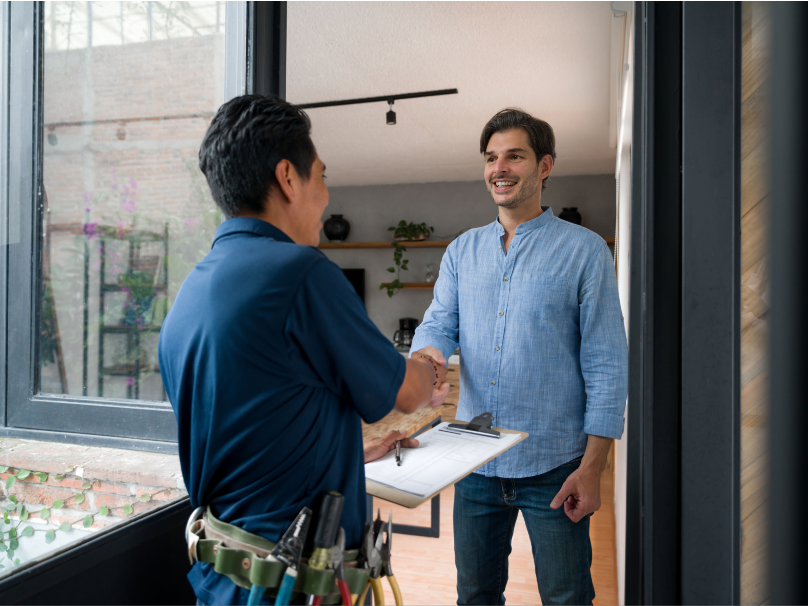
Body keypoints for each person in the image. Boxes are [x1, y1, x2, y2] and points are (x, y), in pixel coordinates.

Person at [158, 94, 450, 606]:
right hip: (292, 588)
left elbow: (253, 430)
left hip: (222, 580)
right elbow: (404, 393)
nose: (326, 195)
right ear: (288, 178)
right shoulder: (301, 274)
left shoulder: (190, 295)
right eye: (322, 176)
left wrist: (344, 453)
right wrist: (428, 363)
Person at [410, 108, 628, 606]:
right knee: (475, 596)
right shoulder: (461, 252)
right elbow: (440, 322)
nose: (499, 168)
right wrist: (426, 361)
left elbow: (607, 364)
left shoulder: (586, 252)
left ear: (545, 166)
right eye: (491, 158)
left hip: (556, 467)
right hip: (476, 461)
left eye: (514, 156)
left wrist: (593, 467)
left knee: (567, 597)